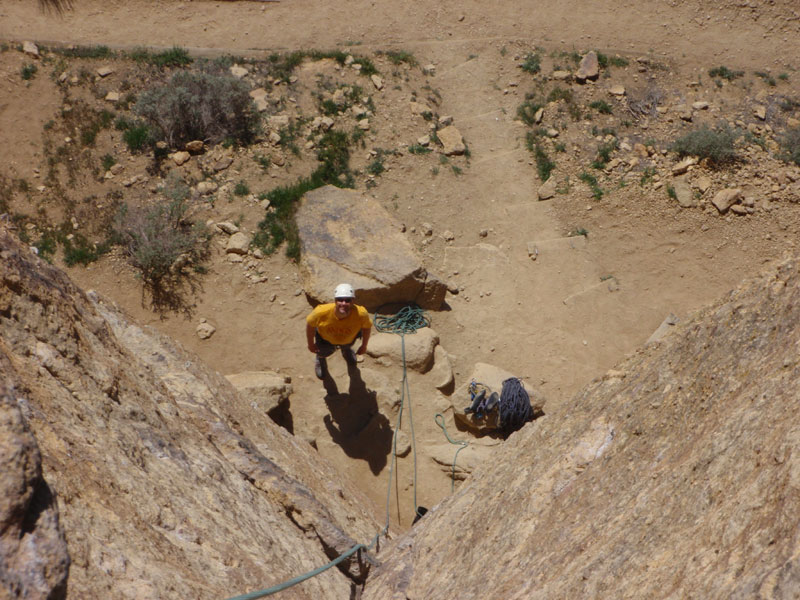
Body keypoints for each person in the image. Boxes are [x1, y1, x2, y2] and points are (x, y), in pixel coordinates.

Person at [306, 283, 372, 380]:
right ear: (335, 301)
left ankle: (346, 351)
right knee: (322, 352)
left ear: (353, 301)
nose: (343, 303)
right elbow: (310, 326)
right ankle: (320, 359)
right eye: (340, 300)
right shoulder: (320, 312)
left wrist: (364, 345)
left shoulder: (361, 314)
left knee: (347, 346)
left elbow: (367, 328)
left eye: (347, 300)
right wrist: (311, 344)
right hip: (325, 340)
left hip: (348, 339)